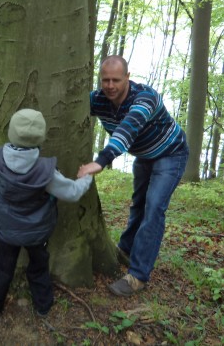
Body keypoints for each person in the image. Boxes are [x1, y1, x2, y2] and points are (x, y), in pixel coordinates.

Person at [78, 55, 188, 297]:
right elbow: (71, 106)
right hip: (145, 156)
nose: (110, 86)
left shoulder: (144, 98)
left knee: (154, 207)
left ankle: (137, 276)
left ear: (127, 77)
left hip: (171, 153)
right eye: (105, 79)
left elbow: (127, 129)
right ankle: (125, 250)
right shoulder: (98, 99)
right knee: (138, 204)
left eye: (116, 80)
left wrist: (101, 161)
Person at [0, 109, 93, 321]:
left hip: (5, 232)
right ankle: (43, 306)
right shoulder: (45, 172)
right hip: (37, 234)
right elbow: (73, 192)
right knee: (39, 268)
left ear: (12, 132)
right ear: (41, 136)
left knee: (1, 270)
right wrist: (86, 177)